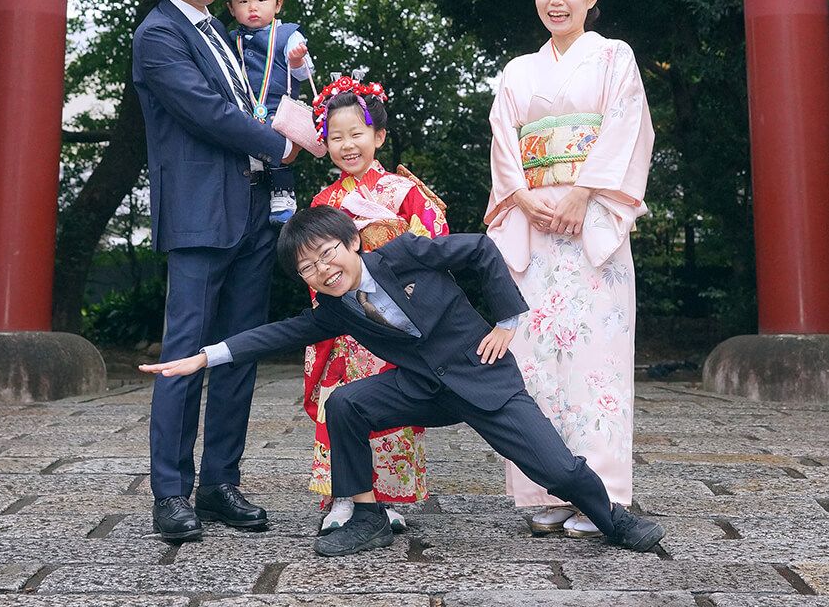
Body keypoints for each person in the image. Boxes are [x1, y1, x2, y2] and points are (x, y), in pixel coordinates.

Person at [139, 208, 665, 558]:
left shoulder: (404, 253)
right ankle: (365, 515)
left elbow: (481, 250)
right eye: (308, 268)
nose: (323, 269)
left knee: (558, 468)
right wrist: (204, 358)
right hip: (422, 387)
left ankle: (613, 519)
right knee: (345, 403)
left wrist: (506, 323)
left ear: (351, 243)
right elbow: (273, 334)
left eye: (328, 254)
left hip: (481, 378)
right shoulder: (333, 309)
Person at [132, 0, 298, 544]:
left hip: (255, 212)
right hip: (202, 216)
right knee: (185, 357)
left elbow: (253, 97)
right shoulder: (160, 34)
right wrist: (282, 144)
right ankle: (171, 493)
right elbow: (206, 113)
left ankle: (220, 483)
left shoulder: (226, 35)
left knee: (239, 353)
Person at [485, 0, 653, 539]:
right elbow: (504, 144)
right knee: (533, 361)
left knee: (596, 362)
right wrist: (526, 199)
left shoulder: (614, 58)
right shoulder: (517, 72)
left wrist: (584, 194)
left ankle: (599, 497)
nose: (555, 0)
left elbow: (627, 127)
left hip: (592, 227)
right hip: (534, 225)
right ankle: (544, 489)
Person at [306, 75, 449, 533]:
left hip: (392, 317)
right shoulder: (324, 201)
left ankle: (384, 499)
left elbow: (433, 239)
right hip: (345, 321)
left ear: (379, 136)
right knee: (338, 402)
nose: (347, 145)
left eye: (357, 134)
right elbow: (310, 259)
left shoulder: (402, 191)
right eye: (335, 137)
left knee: (389, 403)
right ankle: (344, 497)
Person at [226, 0, 315, 226]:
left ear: (277, 5)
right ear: (231, 8)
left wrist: (298, 60)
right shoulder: (231, 39)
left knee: (278, 149)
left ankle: (284, 194)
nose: (253, 7)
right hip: (246, 110)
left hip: (279, 108)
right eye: (243, 1)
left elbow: (306, 73)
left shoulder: (288, 34)